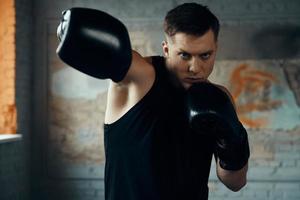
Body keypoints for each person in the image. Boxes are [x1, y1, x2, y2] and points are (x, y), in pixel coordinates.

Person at [56, 3, 250, 200]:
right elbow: (118, 55)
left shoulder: (219, 98)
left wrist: (232, 137)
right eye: (184, 55)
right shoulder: (140, 78)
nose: (195, 68)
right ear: (166, 49)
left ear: (215, 49)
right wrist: (71, 29)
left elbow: (235, 182)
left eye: (205, 55)